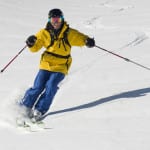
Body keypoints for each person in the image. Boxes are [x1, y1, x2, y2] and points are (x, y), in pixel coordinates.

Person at [21, 8, 95, 121]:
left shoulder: (69, 33)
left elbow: (80, 38)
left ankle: (39, 110)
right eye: (53, 19)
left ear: (62, 19)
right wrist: (30, 43)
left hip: (61, 66)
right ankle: (24, 107)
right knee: (38, 87)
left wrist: (87, 41)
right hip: (46, 63)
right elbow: (35, 48)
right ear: (49, 20)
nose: (56, 22)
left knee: (51, 86)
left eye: (58, 19)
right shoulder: (43, 33)